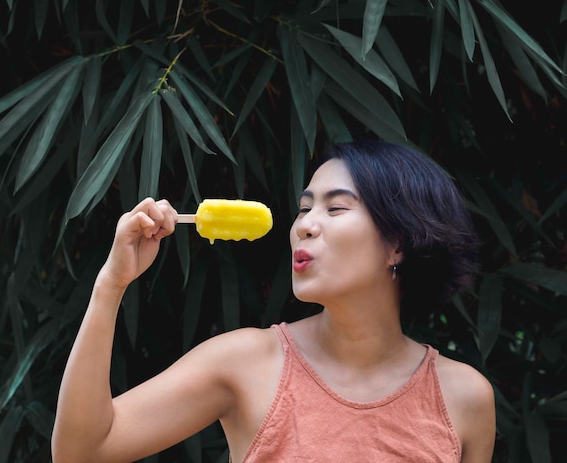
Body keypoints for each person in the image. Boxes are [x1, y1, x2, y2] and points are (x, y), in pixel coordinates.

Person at [51, 139, 496, 462]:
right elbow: (81, 452)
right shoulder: (244, 363)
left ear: (397, 242)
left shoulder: (464, 398)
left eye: (335, 209)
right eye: (304, 209)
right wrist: (111, 285)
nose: (305, 225)